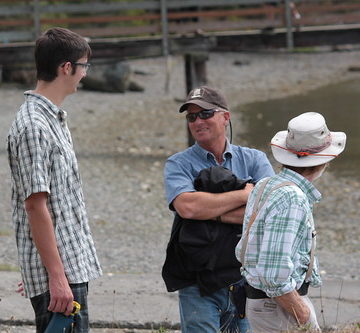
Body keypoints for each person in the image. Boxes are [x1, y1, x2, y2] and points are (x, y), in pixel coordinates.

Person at [6, 27, 102, 333]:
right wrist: (55, 275)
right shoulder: (35, 126)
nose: (85, 74)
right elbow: (35, 206)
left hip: (68, 267)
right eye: (84, 66)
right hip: (62, 276)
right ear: (67, 68)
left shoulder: (53, 119)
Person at [162, 86, 275, 333]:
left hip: (248, 278)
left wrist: (213, 213)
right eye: (191, 116)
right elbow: (188, 207)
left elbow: (270, 211)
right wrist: (245, 194)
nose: (197, 121)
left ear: (226, 117)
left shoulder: (255, 159)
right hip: (197, 280)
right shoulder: (178, 163)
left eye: (205, 114)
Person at [235, 112, 346, 333]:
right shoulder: (292, 198)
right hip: (277, 307)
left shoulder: (266, 184)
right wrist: (305, 317)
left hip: (266, 304)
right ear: (325, 159)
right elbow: (273, 276)